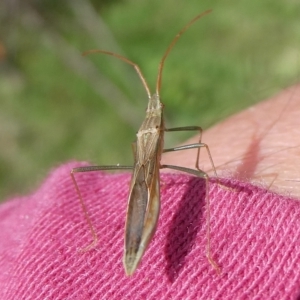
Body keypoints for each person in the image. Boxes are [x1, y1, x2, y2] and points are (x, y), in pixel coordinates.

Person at [1, 85, 300, 299]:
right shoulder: (153, 130)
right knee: (202, 167)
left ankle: (101, 241)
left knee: (83, 174)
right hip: (147, 181)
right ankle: (207, 253)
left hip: (145, 174)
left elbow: (140, 149)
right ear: (157, 116)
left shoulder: (146, 131)